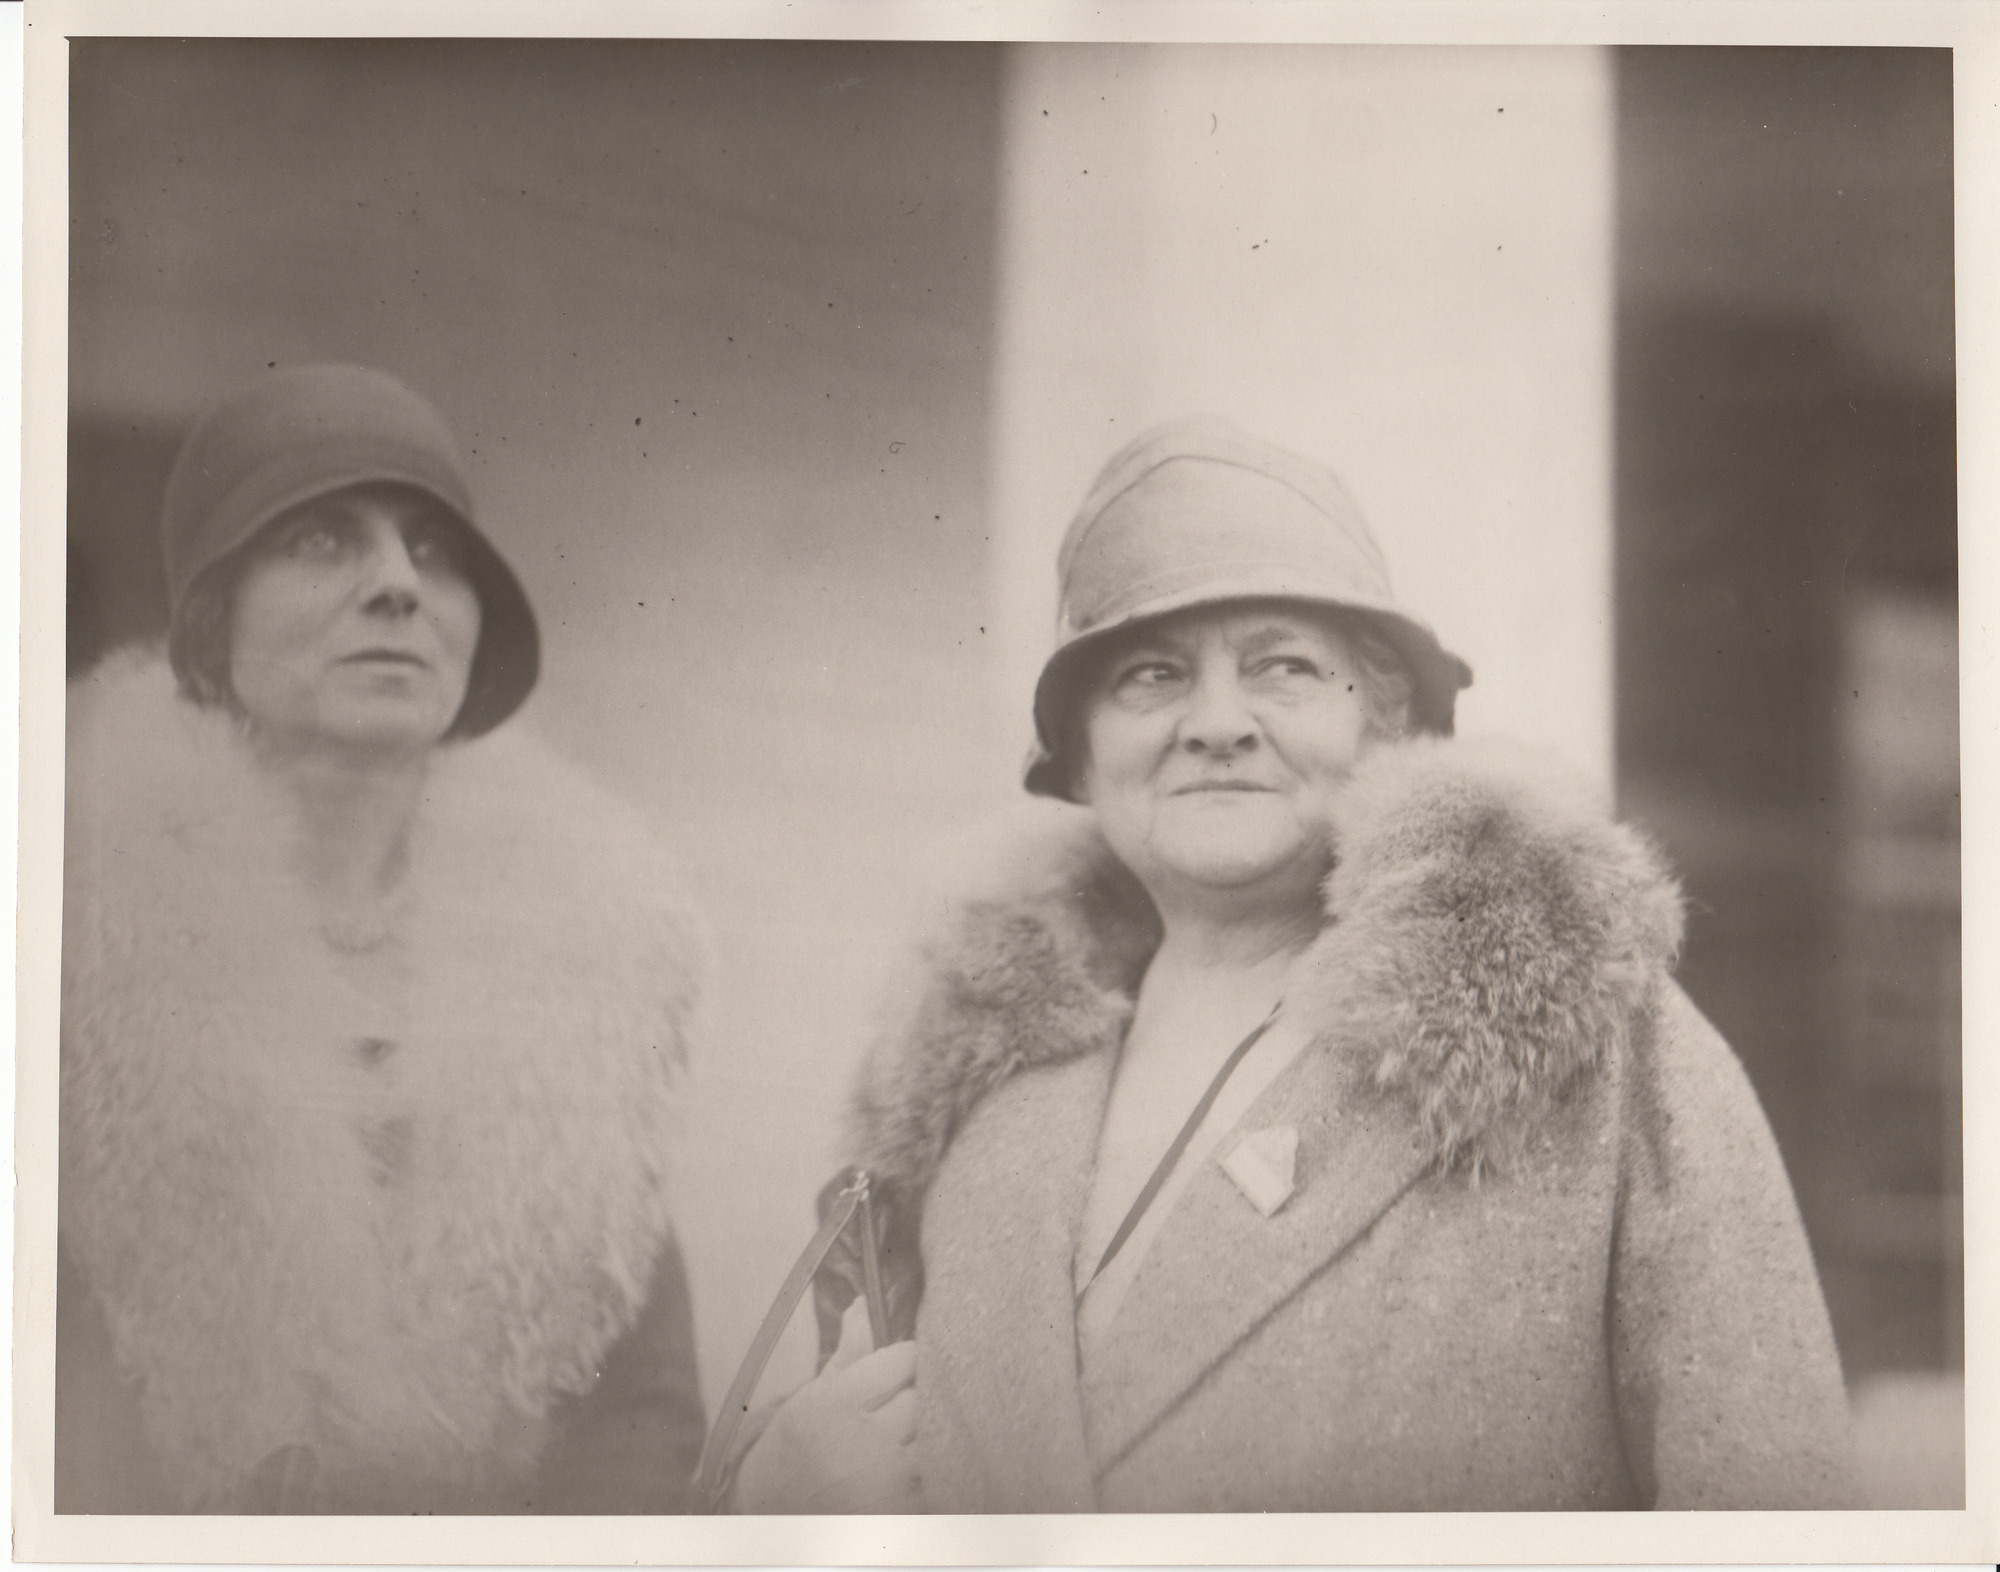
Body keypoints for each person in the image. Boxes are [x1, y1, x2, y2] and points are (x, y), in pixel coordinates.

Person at [731, 414, 1855, 1512]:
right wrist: (777, 1516)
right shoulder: (968, 1085)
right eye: (1148, 677)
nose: (1216, 722)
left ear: (1385, 718)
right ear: (1077, 753)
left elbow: (1772, 1502)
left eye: (1282, 667)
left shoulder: (1595, 1046)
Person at [57, 364, 707, 1513]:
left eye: (433, 551)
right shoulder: (63, 956)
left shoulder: (583, 977)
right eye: (320, 542)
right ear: (208, 625)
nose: (398, 587)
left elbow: (637, 1417)